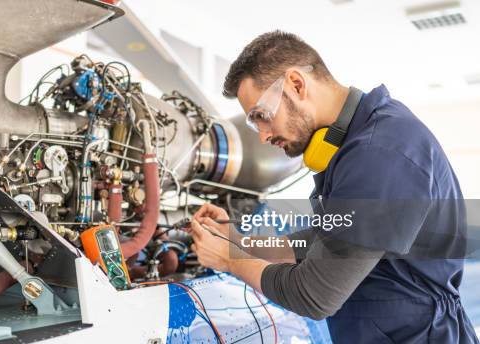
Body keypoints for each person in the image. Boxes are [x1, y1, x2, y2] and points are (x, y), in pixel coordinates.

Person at [189, 30, 479, 343]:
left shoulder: (379, 151)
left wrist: (230, 259)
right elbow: (325, 239)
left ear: (296, 85)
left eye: (261, 116)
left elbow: (313, 296)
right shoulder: (358, 142)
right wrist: (240, 241)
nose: (262, 136)